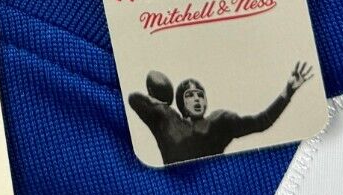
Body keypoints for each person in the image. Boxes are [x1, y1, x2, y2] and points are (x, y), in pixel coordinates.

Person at [128, 61, 314, 164]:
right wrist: (162, 101)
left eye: (200, 95)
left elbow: (262, 122)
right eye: (190, 95)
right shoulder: (168, 120)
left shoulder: (219, 121)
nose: (197, 99)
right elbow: (134, 99)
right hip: (178, 187)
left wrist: (287, 92)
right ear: (181, 103)